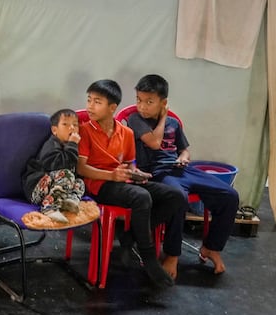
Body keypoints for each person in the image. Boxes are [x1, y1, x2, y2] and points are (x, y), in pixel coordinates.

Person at [77, 79, 187, 288]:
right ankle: (149, 259)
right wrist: (111, 176)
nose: (90, 106)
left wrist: (137, 174)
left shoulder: (125, 133)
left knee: (176, 196)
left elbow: (128, 165)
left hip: (122, 182)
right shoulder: (85, 130)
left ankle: (130, 237)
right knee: (141, 197)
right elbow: (81, 169)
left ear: (112, 107)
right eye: (89, 100)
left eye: (97, 102)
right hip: (99, 184)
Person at [127, 74, 239, 274]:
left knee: (230, 196)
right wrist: (162, 117)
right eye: (139, 100)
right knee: (178, 198)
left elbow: (184, 149)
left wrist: (184, 157)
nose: (142, 106)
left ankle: (211, 248)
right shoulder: (134, 119)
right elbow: (154, 142)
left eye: (149, 102)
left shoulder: (174, 123)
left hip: (181, 169)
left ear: (163, 102)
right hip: (157, 173)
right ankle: (172, 255)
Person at [22, 108, 86, 223]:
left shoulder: (72, 147)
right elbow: (59, 166)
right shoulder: (51, 145)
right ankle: (48, 208)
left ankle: (70, 202)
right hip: (36, 189)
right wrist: (72, 145)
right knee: (65, 174)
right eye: (65, 124)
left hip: (56, 190)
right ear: (54, 130)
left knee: (80, 182)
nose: (72, 128)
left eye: (75, 125)